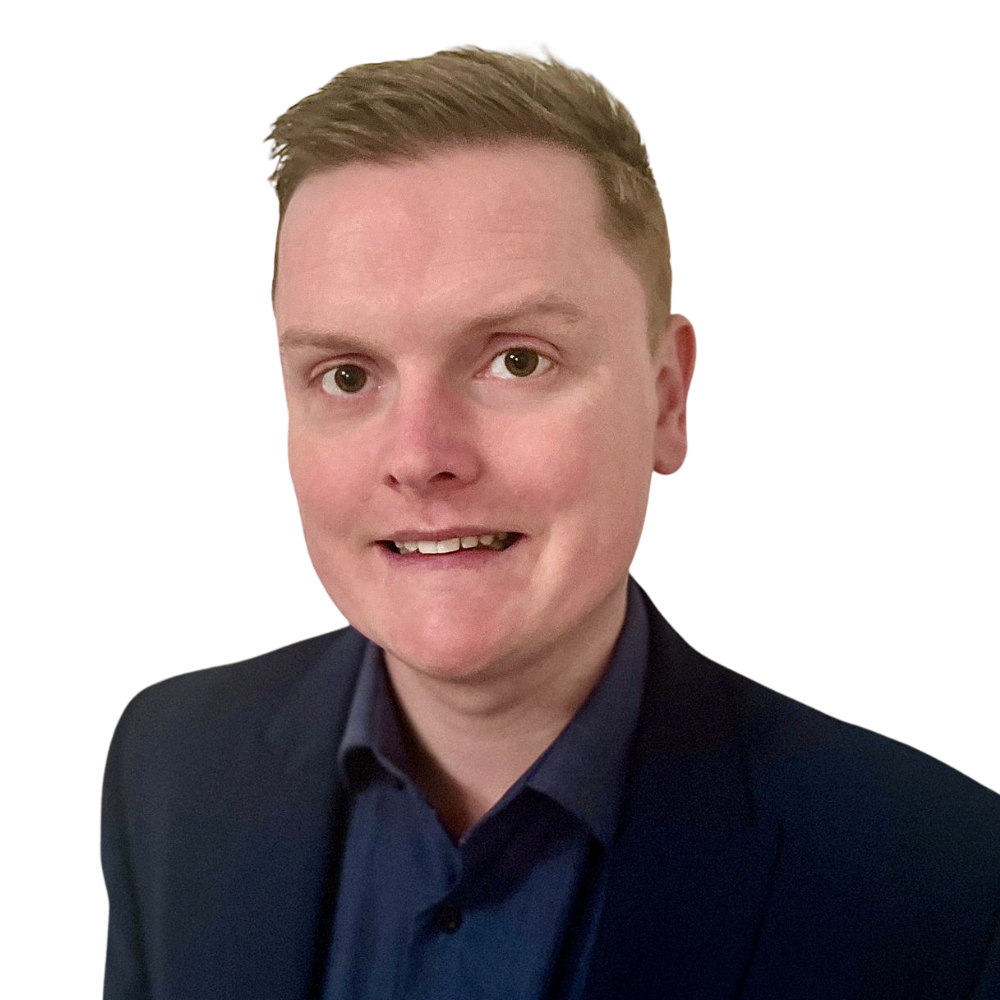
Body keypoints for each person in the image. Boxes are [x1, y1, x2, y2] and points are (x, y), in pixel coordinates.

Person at [101, 47, 1000, 999]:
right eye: (348, 375)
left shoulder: (942, 883)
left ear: (666, 398)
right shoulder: (170, 767)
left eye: (517, 361)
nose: (420, 455)